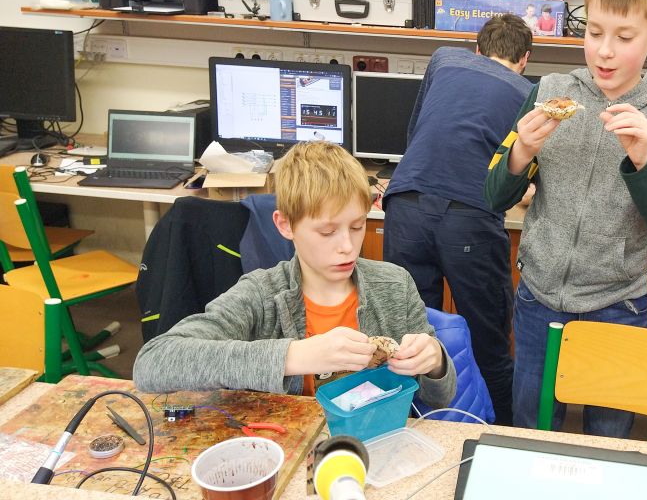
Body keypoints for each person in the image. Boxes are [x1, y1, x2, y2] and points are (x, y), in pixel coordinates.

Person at [484, 0, 647, 437]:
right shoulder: (549, 92)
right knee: (532, 430)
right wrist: (522, 151)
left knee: (610, 437)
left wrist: (645, 162)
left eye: (624, 38)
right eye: (594, 32)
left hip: (620, 308)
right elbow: (493, 196)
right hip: (539, 299)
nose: (604, 51)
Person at [134, 141, 456, 410]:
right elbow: (153, 363)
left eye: (357, 226)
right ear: (285, 225)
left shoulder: (395, 286)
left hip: (377, 441)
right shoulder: (261, 296)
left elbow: (440, 397)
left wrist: (435, 361)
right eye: (327, 232)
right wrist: (293, 356)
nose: (347, 247)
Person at [383, 14, 534, 426]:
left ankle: (409, 431)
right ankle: (499, 438)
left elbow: (419, 132)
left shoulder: (445, 58)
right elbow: (514, 176)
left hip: (406, 201)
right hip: (470, 214)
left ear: (478, 50)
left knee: (408, 339)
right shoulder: (529, 94)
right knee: (489, 345)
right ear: (524, 59)